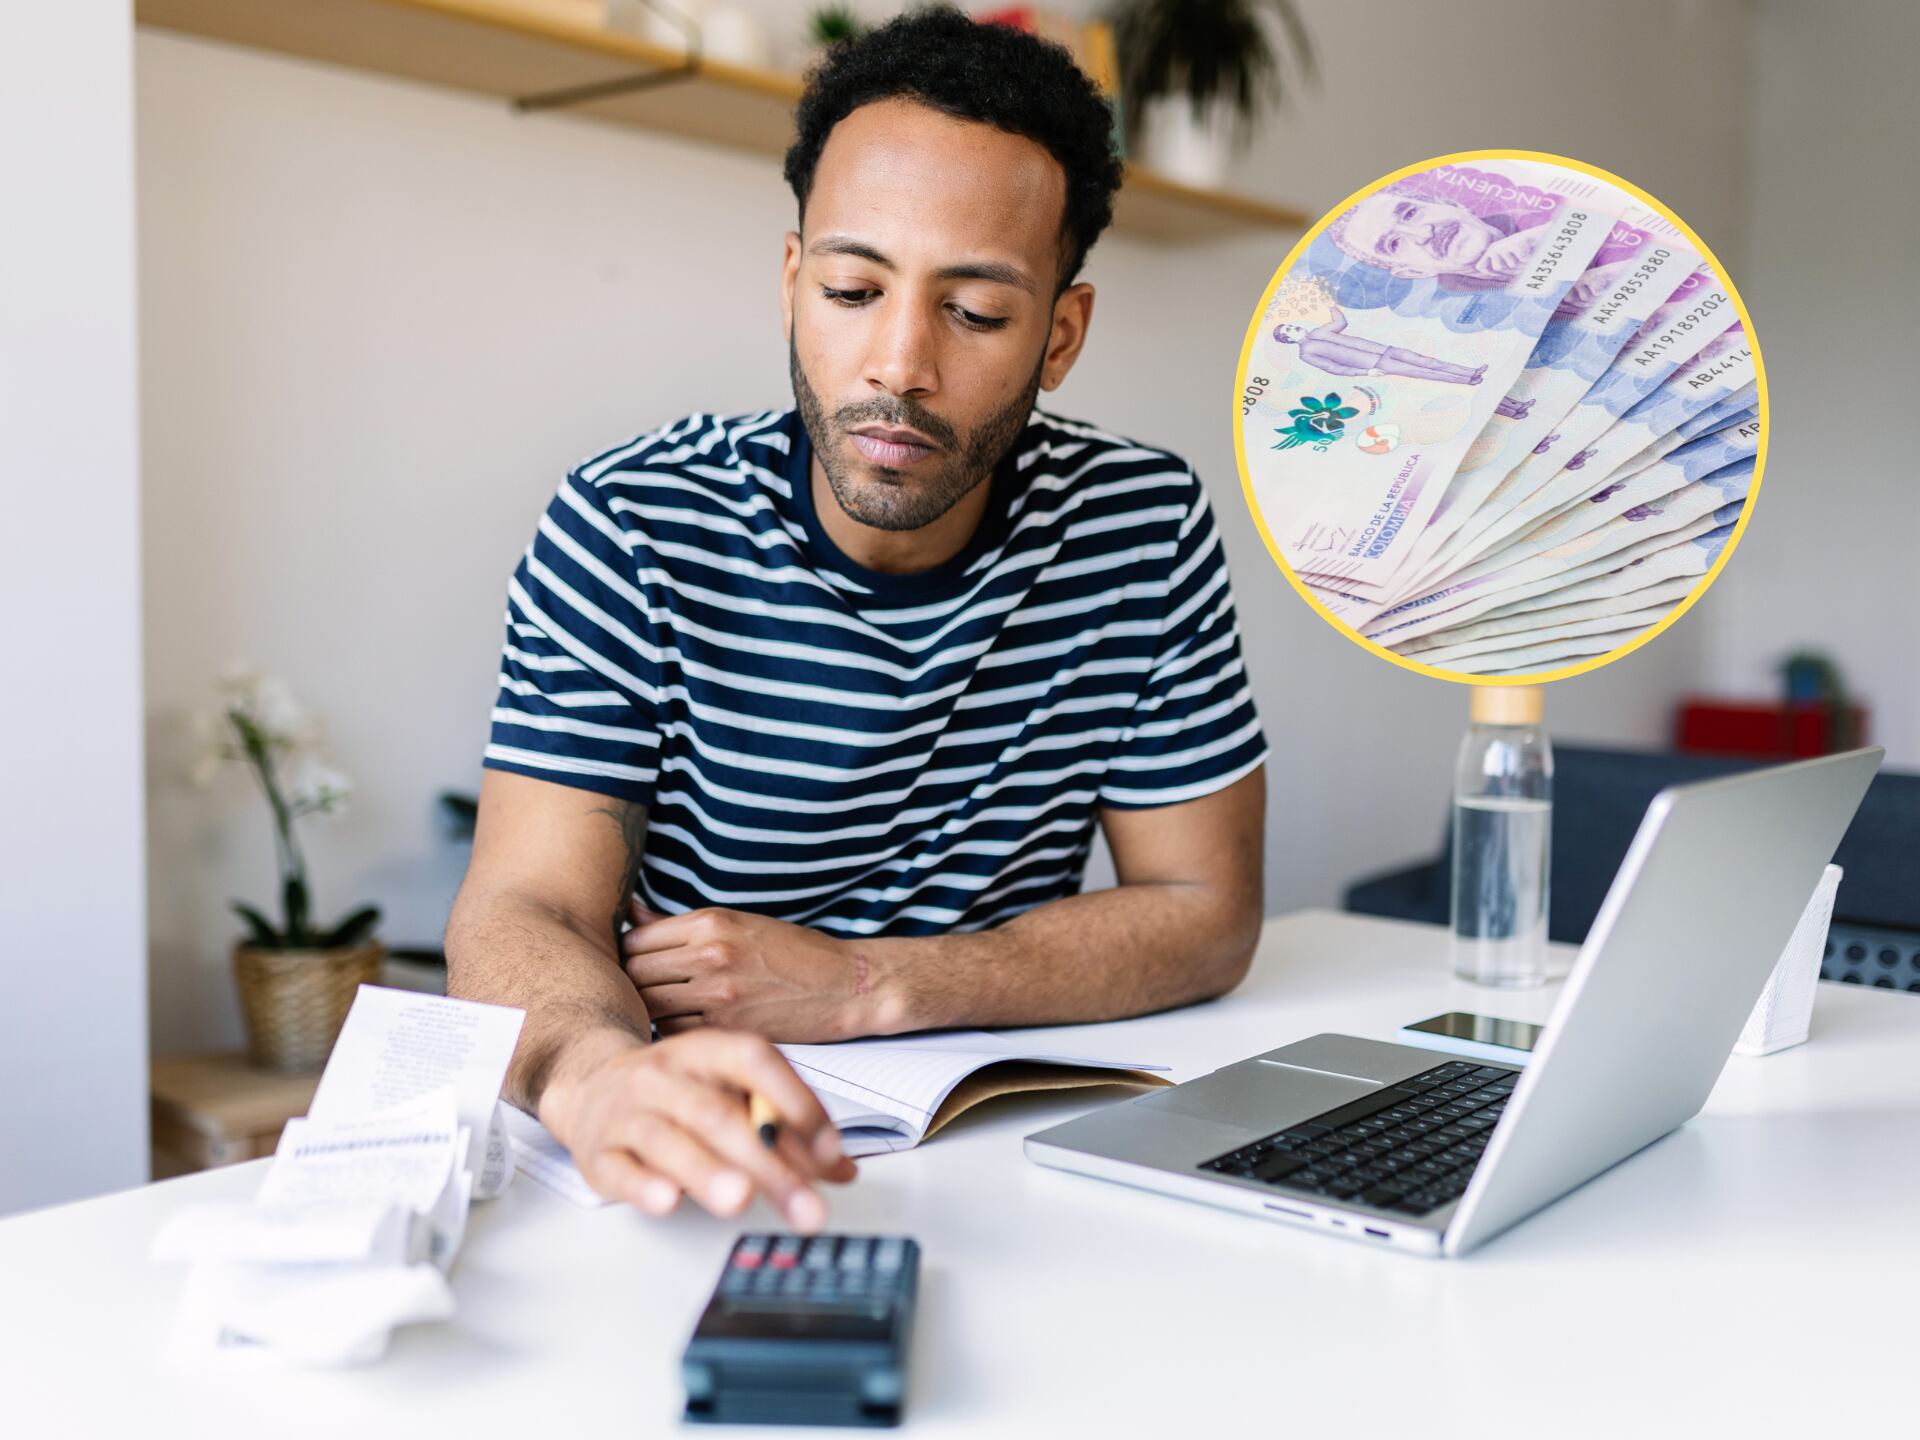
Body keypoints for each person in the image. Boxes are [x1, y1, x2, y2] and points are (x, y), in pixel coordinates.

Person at [446, 9, 1269, 1230]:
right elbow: (527, 907)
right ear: (792, 285)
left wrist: (867, 985)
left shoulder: (1139, 524)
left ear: (1063, 334)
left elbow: (1208, 916)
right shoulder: (631, 522)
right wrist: (600, 1076)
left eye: (977, 314)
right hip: (698, 1148)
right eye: (851, 288)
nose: (898, 362)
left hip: (1006, 1144)